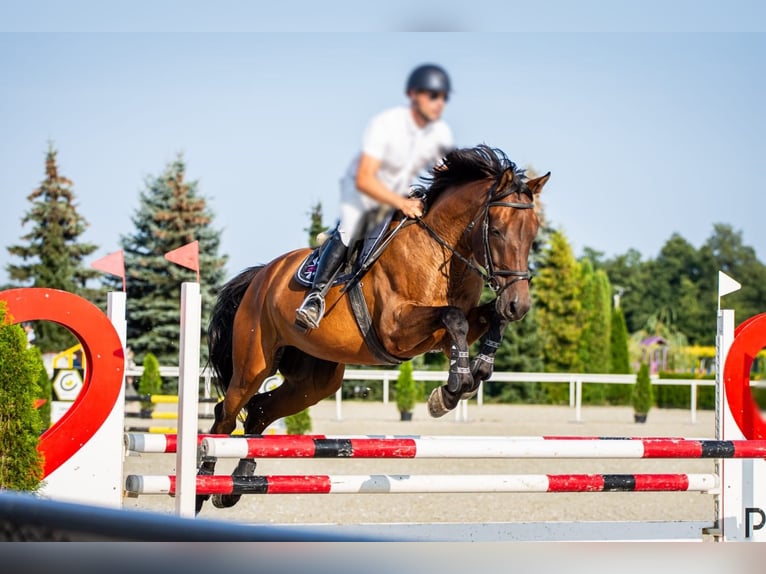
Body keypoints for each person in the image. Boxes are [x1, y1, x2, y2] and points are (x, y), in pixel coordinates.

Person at [295, 63, 455, 330]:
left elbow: (441, 168)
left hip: (413, 200)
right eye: (431, 97)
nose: (437, 105)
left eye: (440, 98)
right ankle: (315, 298)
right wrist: (401, 202)